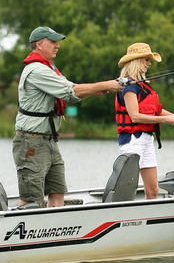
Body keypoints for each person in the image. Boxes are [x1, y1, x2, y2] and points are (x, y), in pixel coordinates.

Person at [13, 26, 122, 208]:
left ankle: (53, 232)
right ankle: (23, 233)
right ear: (39, 45)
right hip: (30, 142)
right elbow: (69, 90)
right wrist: (105, 84)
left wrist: (97, 90)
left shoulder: (49, 67)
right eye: (53, 42)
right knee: (31, 198)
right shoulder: (37, 70)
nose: (58, 46)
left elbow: (71, 93)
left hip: (49, 141)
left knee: (57, 191)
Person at [115, 42, 174, 199]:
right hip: (132, 140)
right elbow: (135, 116)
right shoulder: (128, 86)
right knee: (128, 188)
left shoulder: (142, 85)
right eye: (146, 60)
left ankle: (151, 220)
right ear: (137, 61)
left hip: (147, 139)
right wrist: (164, 119)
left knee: (153, 189)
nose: (149, 64)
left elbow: (155, 109)